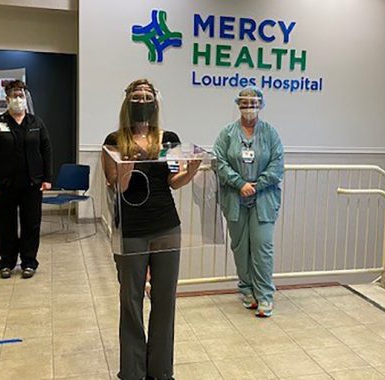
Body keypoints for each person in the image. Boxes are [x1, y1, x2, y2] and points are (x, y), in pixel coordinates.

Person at [102, 79, 199, 380]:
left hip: (166, 225)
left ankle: (161, 369)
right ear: (127, 101)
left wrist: (191, 170)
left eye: (147, 95)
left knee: (165, 299)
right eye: (137, 95)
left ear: (156, 102)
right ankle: (132, 371)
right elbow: (119, 186)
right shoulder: (114, 140)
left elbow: (173, 181)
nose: (142, 100)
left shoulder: (167, 139)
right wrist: (126, 164)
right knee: (130, 300)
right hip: (131, 229)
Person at [213, 86, 284, 318]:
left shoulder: (271, 134)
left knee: (262, 246)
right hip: (235, 198)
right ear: (238, 106)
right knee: (240, 247)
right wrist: (239, 183)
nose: (249, 108)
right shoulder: (227, 134)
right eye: (244, 104)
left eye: (253, 104)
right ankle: (246, 290)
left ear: (261, 106)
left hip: (263, 198)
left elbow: (277, 166)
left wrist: (256, 185)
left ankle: (265, 295)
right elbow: (219, 162)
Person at [0, 80, 52, 279]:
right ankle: (6, 262)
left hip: (32, 185)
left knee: (31, 224)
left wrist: (47, 178)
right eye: (14, 95)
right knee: (7, 225)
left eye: (21, 95)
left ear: (26, 98)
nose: (18, 99)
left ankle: (29, 262)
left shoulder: (36, 123)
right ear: (7, 99)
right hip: (4, 186)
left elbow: (46, 150)